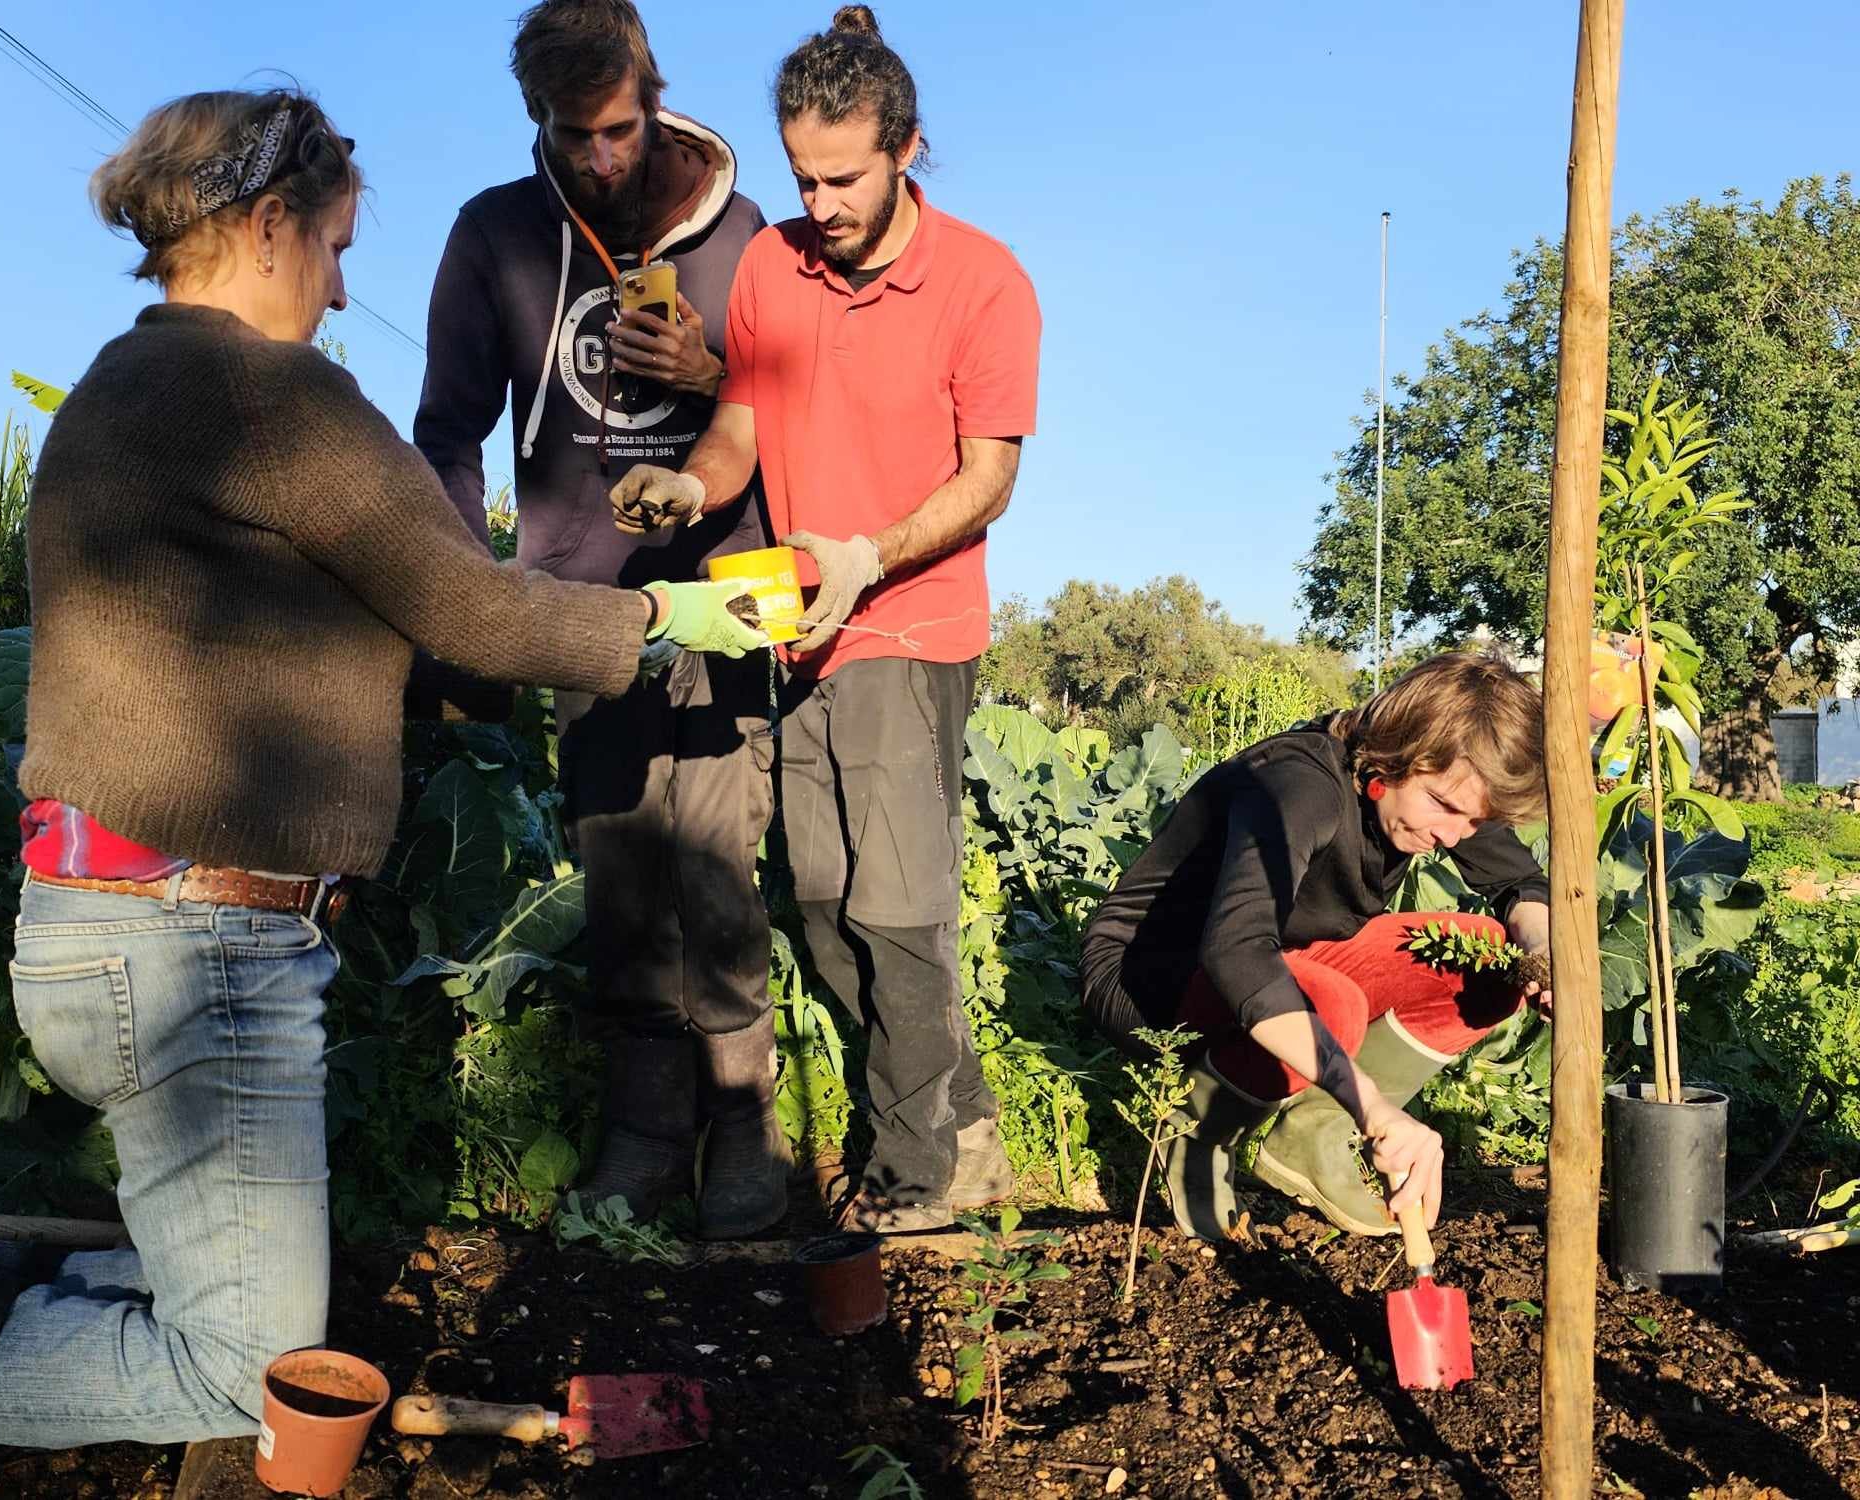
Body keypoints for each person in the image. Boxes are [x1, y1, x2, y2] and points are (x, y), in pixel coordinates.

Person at [0, 87, 762, 1459]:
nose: (343, 293)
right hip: (199, 948)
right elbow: (470, 605)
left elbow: (341, 628)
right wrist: (664, 618)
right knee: (244, 1370)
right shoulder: (268, 392)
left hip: (109, 933)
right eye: (338, 248)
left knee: (208, 1285)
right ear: (269, 226)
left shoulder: (124, 384)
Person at [610, 4, 1043, 1232]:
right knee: (819, 903)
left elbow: (989, 474)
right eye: (803, 175)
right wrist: (691, 484)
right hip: (798, 631)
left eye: (843, 176)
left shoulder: (982, 282)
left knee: (893, 909)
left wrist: (868, 553)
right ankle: (953, 1125)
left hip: (912, 626)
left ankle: (918, 1175)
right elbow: (743, 424)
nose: (823, 200)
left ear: (904, 147)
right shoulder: (769, 265)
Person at [413, 0, 782, 1240]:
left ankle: (743, 1123)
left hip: (726, 599)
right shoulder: (494, 236)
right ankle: (642, 1129)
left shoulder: (749, 242)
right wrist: (472, 593)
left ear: (654, 96)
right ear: (538, 123)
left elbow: (812, 409)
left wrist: (715, 378)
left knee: (719, 866)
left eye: (619, 130)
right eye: (574, 138)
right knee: (621, 870)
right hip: (575, 605)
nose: (603, 160)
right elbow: (445, 432)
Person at [1080, 652, 1554, 1241]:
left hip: (1285, 959)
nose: (1453, 837)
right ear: (1398, 753)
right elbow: (1238, 953)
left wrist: (1541, 957)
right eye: (1446, 808)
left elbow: (1521, 884)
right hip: (1152, 973)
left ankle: (1312, 1135)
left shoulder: (1437, 791)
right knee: (1333, 1007)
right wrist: (1375, 1106)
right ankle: (1199, 1131)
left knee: (1486, 961)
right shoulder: (1300, 784)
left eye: (1474, 821)